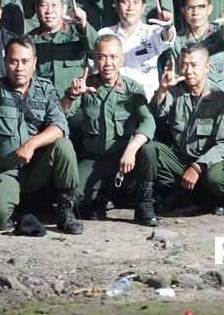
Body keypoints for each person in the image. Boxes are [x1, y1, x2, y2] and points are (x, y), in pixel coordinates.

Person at [0, 34, 83, 236]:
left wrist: (31, 144)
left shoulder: (45, 89)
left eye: (25, 61)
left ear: (34, 62)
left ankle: (65, 212)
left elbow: (60, 126)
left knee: (64, 146)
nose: (19, 68)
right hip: (3, 172)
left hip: (34, 170)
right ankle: (11, 205)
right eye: (13, 61)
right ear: (5, 61)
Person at [60, 36, 159, 224]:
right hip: (95, 160)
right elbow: (61, 114)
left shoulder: (133, 89)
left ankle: (144, 205)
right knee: (73, 199)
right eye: (102, 57)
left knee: (149, 149)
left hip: (125, 160)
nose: (108, 63)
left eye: (113, 57)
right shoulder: (86, 86)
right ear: (94, 59)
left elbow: (148, 122)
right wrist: (71, 96)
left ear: (122, 59)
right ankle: (100, 198)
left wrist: (131, 149)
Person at [151, 43, 224, 216]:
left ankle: (221, 199)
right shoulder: (174, 90)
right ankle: (183, 195)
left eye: (194, 65)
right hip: (182, 157)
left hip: (211, 160)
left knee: (216, 178)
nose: (188, 71)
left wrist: (197, 167)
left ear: (207, 67)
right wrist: (162, 90)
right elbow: (157, 113)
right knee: (150, 150)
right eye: (184, 64)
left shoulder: (221, 98)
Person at [98, 0, 175, 101]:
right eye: (125, 2)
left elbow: (167, 39)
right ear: (116, 6)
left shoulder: (151, 32)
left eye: (136, 2)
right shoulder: (104, 34)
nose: (130, 8)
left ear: (143, 7)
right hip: (114, 102)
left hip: (146, 100)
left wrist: (168, 26)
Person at [27, 0, 98, 97]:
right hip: (43, 102)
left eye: (54, 5)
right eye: (44, 6)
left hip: (74, 101)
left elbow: (97, 48)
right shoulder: (29, 40)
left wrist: (83, 25)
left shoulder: (77, 32)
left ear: (63, 9)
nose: (49, 11)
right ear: (36, 10)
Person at [166, 0, 224, 89]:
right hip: (188, 96)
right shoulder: (177, 41)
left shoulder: (219, 33)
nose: (196, 13)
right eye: (190, 8)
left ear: (210, 9)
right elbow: (173, 76)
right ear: (184, 11)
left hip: (218, 95)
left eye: (201, 7)